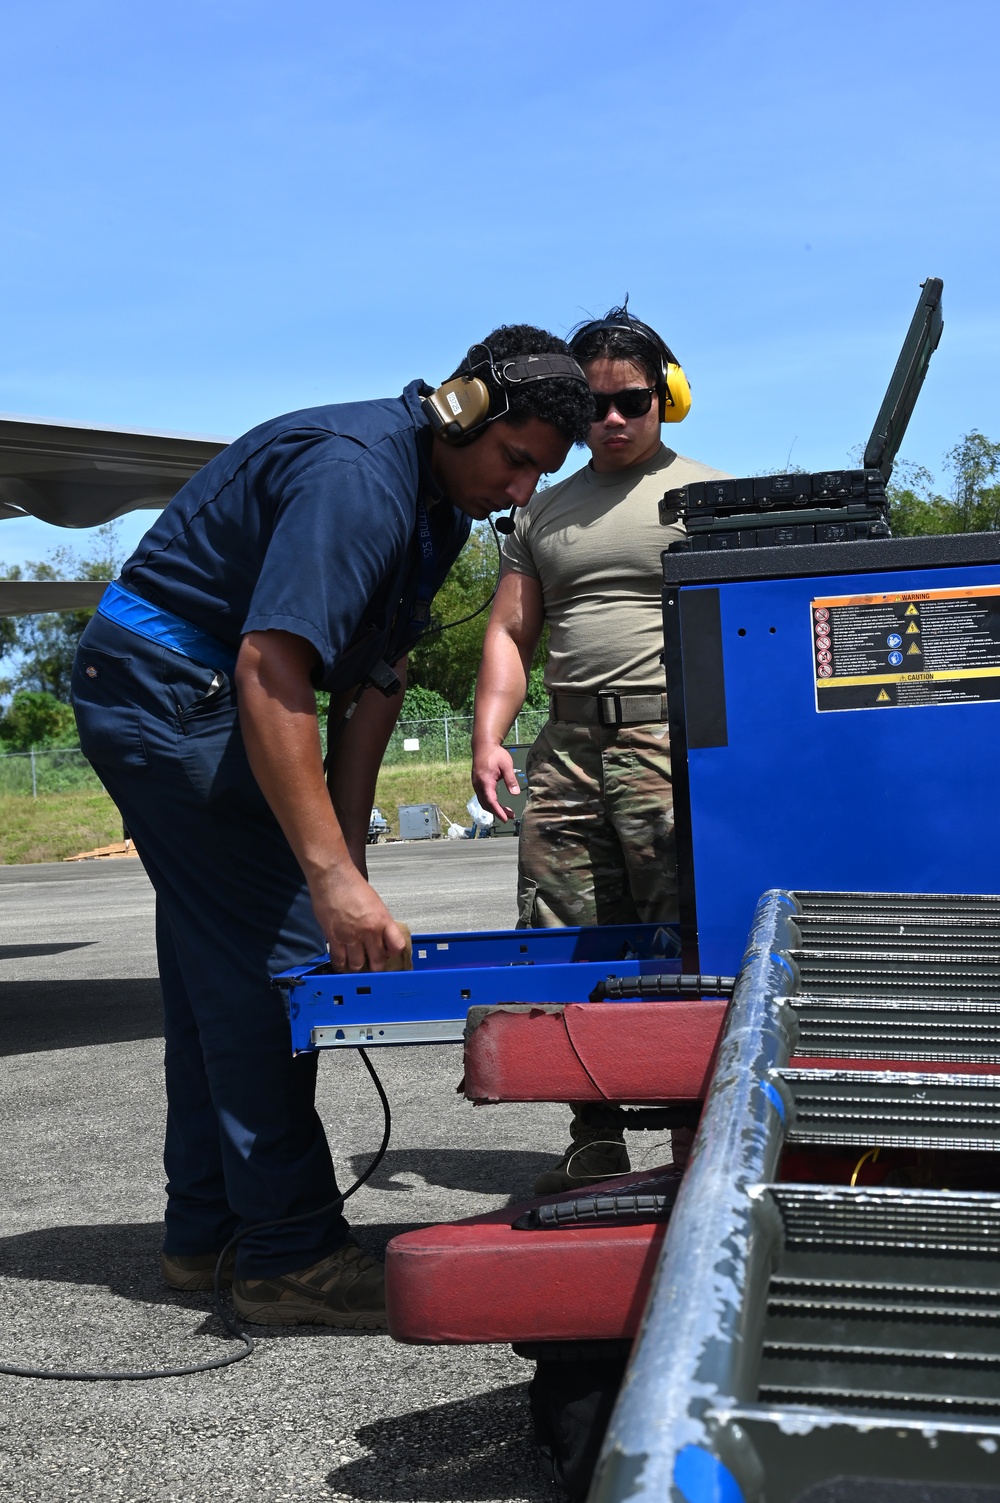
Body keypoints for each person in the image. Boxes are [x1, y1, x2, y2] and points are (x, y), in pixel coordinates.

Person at [72, 327, 593, 1328]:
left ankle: (206, 1233)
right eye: (515, 459)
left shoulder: (435, 505)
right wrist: (325, 883)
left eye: (539, 475)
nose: (521, 491)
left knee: (212, 968)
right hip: (174, 691)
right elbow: (270, 669)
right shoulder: (359, 480)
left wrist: (348, 860)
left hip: (185, 690)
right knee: (274, 962)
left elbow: (373, 684)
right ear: (463, 410)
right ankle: (291, 1255)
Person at [471, 306, 729, 1194]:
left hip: (672, 739)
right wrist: (489, 734)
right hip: (569, 742)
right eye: (596, 405)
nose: (613, 419)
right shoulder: (541, 509)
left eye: (632, 400)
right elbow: (509, 630)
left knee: (691, 940)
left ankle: (700, 1129)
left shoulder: (710, 498)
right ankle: (595, 1133)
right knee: (563, 936)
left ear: (668, 397)